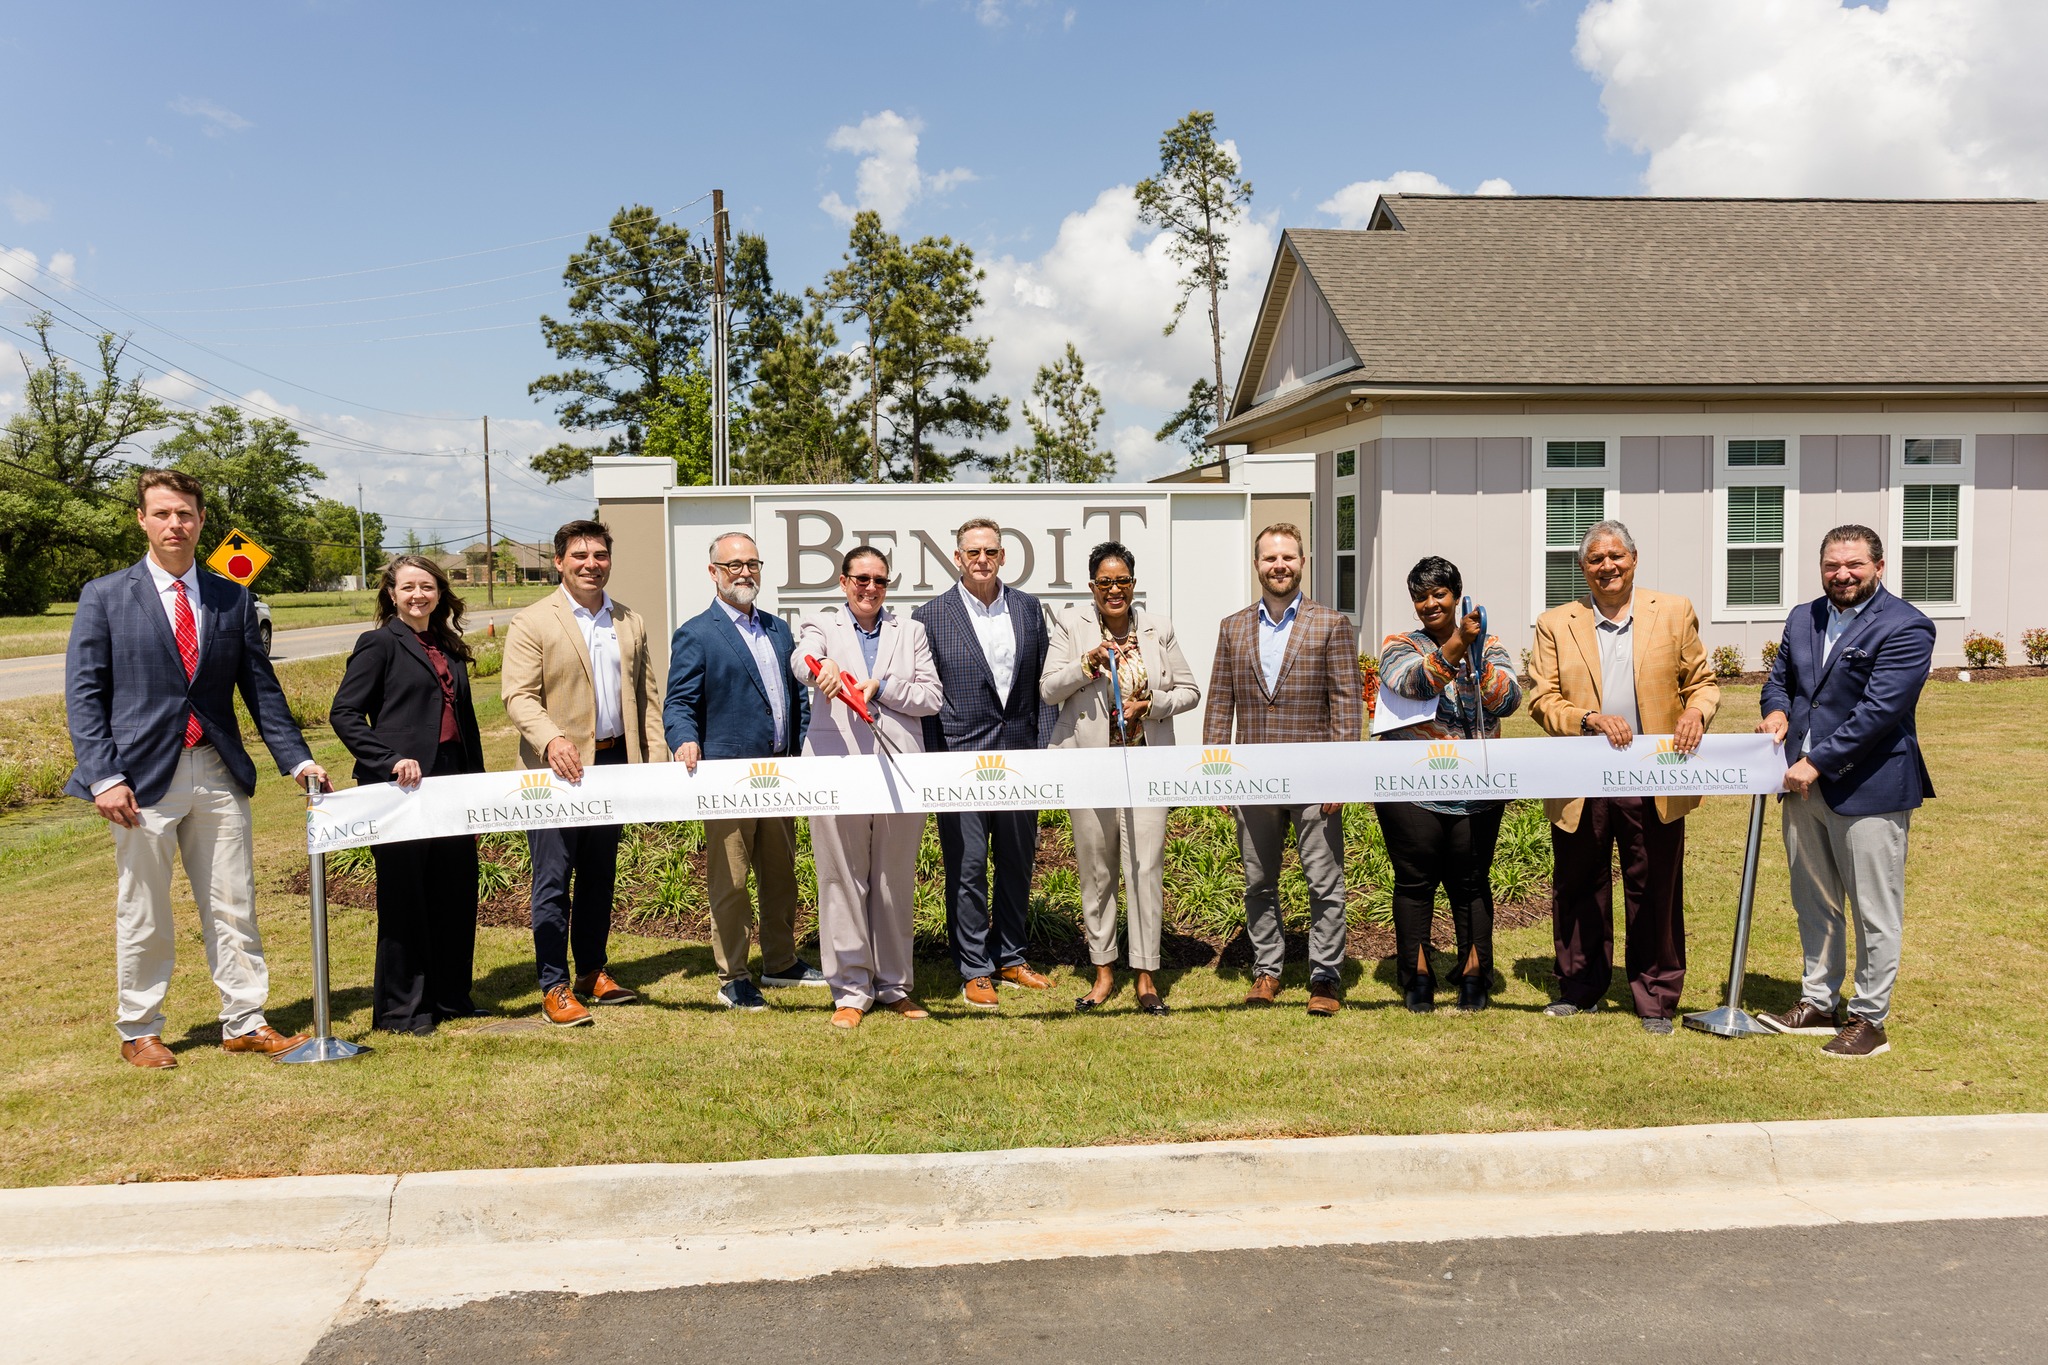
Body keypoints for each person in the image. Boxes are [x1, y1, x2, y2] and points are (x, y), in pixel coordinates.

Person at [65, 469, 328, 1068]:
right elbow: (85, 694)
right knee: (145, 908)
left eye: (184, 513)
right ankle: (140, 1028)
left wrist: (297, 758)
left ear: (202, 521)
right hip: (138, 782)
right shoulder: (104, 596)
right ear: (141, 520)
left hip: (214, 770)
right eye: (162, 513)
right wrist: (104, 776)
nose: (174, 524)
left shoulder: (231, 597)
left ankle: (244, 1020)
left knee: (234, 902)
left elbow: (261, 692)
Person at [1527, 519, 1719, 1034]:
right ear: (1582, 568)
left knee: (1655, 884)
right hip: (1583, 776)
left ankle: (1656, 996)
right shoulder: (1555, 623)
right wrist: (1586, 720)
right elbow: (1541, 699)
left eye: (1616, 557)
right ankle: (1580, 985)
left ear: (1634, 560)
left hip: (1654, 776)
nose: (1606, 566)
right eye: (1595, 559)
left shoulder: (1674, 611)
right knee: (1578, 883)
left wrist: (1696, 714)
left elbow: (1702, 683)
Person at [1754, 525, 1935, 1059]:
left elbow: (1879, 712)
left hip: (1869, 786)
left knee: (1874, 909)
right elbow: (1779, 679)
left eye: (1854, 564)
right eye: (1833, 565)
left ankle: (1870, 1019)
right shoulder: (1803, 616)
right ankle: (1818, 1002)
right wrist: (1776, 711)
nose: (1843, 574)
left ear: (1879, 566)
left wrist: (1816, 762)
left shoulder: (1906, 626)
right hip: (1801, 787)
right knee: (1814, 899)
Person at [501, 519, 669, 1027]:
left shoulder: (630, 621)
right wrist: (552, 738)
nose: (591, 564)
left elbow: (648, 699)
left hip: (614, 763)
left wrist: (655, 761)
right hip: (557, 771)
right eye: (580, 556)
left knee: (599, 875)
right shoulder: (532, 621)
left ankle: (592, 971)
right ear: (559, 562)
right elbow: (518, 696)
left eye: (599, 555)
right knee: (553, 879)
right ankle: (553, 984)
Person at [1203, 522, 1362, 1016]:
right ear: (1257, 565)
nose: (1279, 566)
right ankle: (1267, 971)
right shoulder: (1233, 627)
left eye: (1288, 557)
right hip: (1253, 776)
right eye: (1270, 558)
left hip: (1315, 776)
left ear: (1302, 562)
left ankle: (1325, 978)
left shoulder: (1330, 624)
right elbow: (1218, 705)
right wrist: (1218, 770)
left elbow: (1347, 707)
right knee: (1258, 881)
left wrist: (1340, 775)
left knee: (1323, 881)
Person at [330, 554, 488, 1035]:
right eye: (408, 588)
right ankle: (403, 1010)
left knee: (455, 892)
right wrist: (388, 759)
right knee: (407, 898)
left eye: (427, 586)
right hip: (400, 787)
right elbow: (345, 713)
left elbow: (463, 719)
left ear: (440, 593)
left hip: (452, 781)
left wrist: (476, 782)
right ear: (392, 595)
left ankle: (450, 997)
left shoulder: (447, 644)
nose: (419, 595)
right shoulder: (378, 644)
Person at [1042, 540, 1201, 1016]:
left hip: (1145, 765)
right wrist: (1085, 664)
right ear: (1092, 586)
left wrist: (1153, 705)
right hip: (1090, 765)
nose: (1115, 590)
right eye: (1105, 582)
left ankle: (1146, 973)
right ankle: (1103, 970)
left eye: (1123, 581)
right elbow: (1048, 690)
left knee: (1146, 868)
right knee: (1097, 869)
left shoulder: (1159, 629)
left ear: (1134, 584)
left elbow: (1190, 691)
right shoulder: (1072, 626)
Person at [665, 531, 822, 1011]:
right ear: (714, 572)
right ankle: (733, 975)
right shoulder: (697, 633)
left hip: (779, 776)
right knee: (731, 882)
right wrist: (684, 738)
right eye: (733, 565)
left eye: (752, 563)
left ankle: (780, 961)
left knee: (781, 876)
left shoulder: (778, 630)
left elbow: (796, 698)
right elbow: (679, 701)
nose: (744, 572)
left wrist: (800, 749)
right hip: (727, 779)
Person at [791, 546, 943, 1029]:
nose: (870, 588)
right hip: (837, 768)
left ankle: (895, 986)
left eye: (879, 580)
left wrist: (883, 688)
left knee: (893, 881)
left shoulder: (912, 631)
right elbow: (801, 659)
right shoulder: (820, 625)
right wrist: (822, 669)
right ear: (843, 582)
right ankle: (851, 992)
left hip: (899, 770)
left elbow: (931, 696)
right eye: (861, 579)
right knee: (841, 880)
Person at [912, 517, 1057, 1010]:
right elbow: (929, 699)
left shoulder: (1030, 609)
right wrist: (935, 764)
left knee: (1017, 860)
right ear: (957, 558)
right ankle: (974, 966)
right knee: (969, 865)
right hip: (959, 759)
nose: (981, 560)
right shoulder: (931, 615)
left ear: (1003, 556)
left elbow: (1044, 686)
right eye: (972, 552)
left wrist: (1042, 750)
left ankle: (1012, 956)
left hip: (1020, 757)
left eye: (990, 551)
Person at [1374, 556, 1522, 1014]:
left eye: (1439, 594)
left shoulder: (1489, 645)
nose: (1429, 603)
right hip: (1411, 790)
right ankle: (1417, 976)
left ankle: (1475, 973)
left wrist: (1477, 660)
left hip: (1476, 788)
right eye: (1421, 596)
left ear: (1457, 596)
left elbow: (1510, 700)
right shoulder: (1399, 645)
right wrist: (1456, 647)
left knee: (1472, 883)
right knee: (1415, 883)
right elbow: (1415, 684)